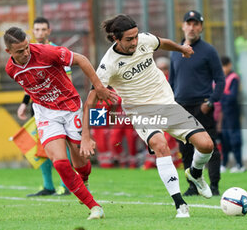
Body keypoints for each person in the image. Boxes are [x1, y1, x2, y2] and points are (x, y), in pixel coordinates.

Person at [80, 14, 214, 218]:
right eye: (129, 39)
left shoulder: (143, 40)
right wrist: (86, 136)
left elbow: (162, 43)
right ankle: (180, 205)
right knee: (161, 145)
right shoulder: (108, 64)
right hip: (141, 112)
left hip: (168, 104)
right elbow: (90, 102)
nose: (135, 42)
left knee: (206, 145)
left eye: (135, 37)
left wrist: (181, 49)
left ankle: (195, 174)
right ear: (116, 38)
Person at [4, 26, 117, 219]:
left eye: (27, 47)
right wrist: (26, 104)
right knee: (61, 163)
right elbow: (31, 85)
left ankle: (84, 178)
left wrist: (99, 87)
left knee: (80, 160)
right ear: (9, 52)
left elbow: (82, 59)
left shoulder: (46, 52)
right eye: (20, 51)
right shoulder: (11, 70)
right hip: (46, 114)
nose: (26, 52)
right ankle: (94, 206)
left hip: (70, 107)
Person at [169, 10, 225, 196]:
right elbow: (172, 82)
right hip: (181, 107)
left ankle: (214, 185)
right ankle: (192, 186)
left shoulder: (209, 51)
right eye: (189, 23)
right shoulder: (175, 52)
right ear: (183, 26)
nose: (192, 27)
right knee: (185, 149)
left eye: (196, 24)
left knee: (210, 148)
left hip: (202, 106)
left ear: (200, 27)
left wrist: (210, 102)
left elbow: (220, 79)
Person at [17, 17, 72, 197]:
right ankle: (48, 185)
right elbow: (31, 82)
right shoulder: (27, 53)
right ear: (32, 31)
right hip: (39, 107)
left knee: (61, 146)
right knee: (42, 147)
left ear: (49, 31)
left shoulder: (56, 51)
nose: (40, 33)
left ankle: (67, 185)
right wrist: (25, 104)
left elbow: (67, 79)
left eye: (43, 29)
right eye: (37, 29)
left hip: (57, 106)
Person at [219, 56, 245, 173]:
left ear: (229, 65)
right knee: (224, 139)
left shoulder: (234, 78)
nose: (223, 69)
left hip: (232, 113)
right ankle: (224, 164)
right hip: (223, 113)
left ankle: (239, 164)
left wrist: (221, 97)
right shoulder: (220, 79)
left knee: (235, 138)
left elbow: (233, 97)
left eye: (225, 66)